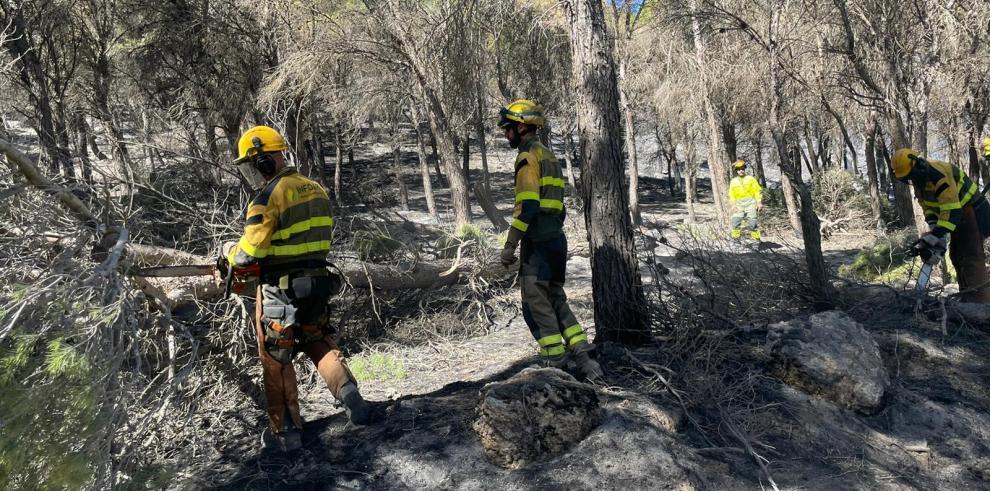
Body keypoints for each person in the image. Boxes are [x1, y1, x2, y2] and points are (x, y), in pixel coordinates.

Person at [224, 125, 377, 452]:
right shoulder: (315, 189)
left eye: (253, 165)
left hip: (281, 290)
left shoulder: (267, 197)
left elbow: (249, 252)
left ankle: (286, 434)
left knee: (276, 359)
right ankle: (352, 398)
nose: (252, 172)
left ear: (264, 161)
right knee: (319, 340)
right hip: (319, 284)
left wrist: (228, 252)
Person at [496, 99, 603, 382]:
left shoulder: (527, 157)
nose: (506, 134)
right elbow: (560, 206)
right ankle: (585, 359)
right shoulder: (549, 156)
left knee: (535, 304)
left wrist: (510, 246)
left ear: (521, 127)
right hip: (557, 240)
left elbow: (528, 207)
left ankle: (555, 363)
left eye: (508, 129)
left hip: (539, 244)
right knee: (556, 298)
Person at [891, 148, 990, 303]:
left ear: (919, 165)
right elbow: (928, 207)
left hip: (973, 210)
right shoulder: (919, 181)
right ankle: (968, 296)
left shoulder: (939, 175)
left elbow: (952, 211)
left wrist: (935, 236)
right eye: (907, 178)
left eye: (911, 176)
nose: (911, 180)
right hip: (957, 213)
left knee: (971, 256)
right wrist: (933, 229)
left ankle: (981, 303)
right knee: (956, 255)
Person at [728, 160, 763, 241]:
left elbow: (757, 191)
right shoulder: (733, 181)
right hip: (738, 204)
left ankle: (756, 240)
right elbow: (731, 194)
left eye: (742, 169)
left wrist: (759, 202)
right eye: (739, 169)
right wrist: (733, 205)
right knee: (735, 222)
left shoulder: (751, 179)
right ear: (736, 170)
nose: (741, 170)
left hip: (751, 203)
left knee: (752, 223)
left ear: (744, 169)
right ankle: (735, 240)